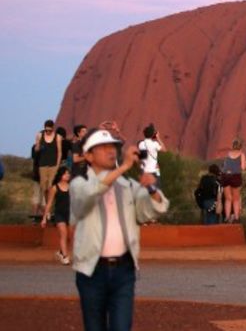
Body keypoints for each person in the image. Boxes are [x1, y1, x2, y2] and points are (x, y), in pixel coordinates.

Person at [71, 127, 168, 330]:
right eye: (103, 147)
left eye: (113, 146)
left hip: (124, 270)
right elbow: (87, 198)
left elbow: (152, 212)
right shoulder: (79, 184)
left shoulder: (128, 186)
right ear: (88, 155)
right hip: (91, 270)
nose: (111, 151)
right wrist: (124, 167)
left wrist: (151, 188)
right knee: (94, 327)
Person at [41, 166, 73, 265]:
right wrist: (44, 218)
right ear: (60, 175)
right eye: (65, 173)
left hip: (71, 214)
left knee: (70, 236)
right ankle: (65, 256)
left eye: (68, 173)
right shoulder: (55, 188)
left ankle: (60, 252)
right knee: (63, 234)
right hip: (59, 214)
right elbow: (49, 203)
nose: (67, 175)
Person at [34, 120, 63, 218]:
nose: (48, 132)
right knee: (44, 188)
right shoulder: (39, 135)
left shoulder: (57, 137)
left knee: (51, 187)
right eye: (46, 130)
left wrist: (58, 164)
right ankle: (48, 209)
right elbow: (36, 150)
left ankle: (50, 210)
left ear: (52, 128)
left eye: (50, 130)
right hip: (43, 165)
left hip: (53, 165)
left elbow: (59, 152)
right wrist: (37, 144)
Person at [220, 139, 246, 223]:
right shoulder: (242, 154)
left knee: (228, 198)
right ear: (240, 146)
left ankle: (227, 217)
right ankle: (236, 218)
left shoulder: (228, 154)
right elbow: (243, 167)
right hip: (235, 176)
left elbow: (225, 166)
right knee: (236, 199)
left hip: (225, 176)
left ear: (233, 146)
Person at [136, 124, 165, 189]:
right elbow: (164, 149)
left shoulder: (141, 144)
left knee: (145, 192)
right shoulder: (155, 144)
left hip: (144, 172)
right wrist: (158, 138)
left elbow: (140, 158)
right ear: (152, 135)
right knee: (156, 191)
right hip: (153, 172)